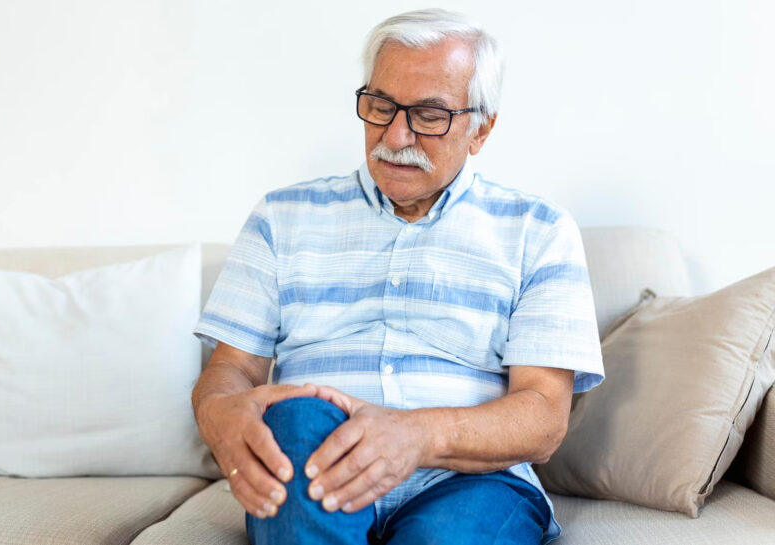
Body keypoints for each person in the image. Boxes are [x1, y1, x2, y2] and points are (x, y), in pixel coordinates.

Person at [191, 8, 605, 545]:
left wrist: (417, 435)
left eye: (429, 115)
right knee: (296, 417)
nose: (396, 134)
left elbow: (544, 418)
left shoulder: (539, 230)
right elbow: (230, 371)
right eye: (381, 106)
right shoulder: (281, 217)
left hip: (470, 481)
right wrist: (220, 414)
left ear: (481, 128)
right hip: (314, 453)